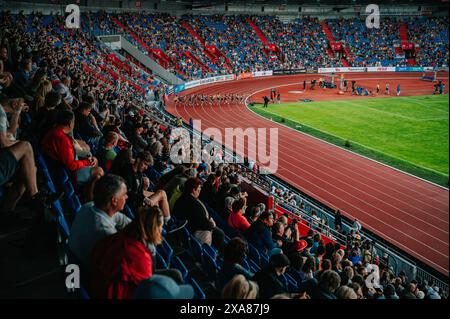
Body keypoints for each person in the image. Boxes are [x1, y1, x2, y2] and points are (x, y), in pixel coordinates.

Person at [90, 205, 164, 299]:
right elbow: (147, 289)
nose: (161, 230)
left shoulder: (117, 237)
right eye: (161, 227)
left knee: (174, 274)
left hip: (100, 286)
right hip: (117, 293)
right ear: (154, 229)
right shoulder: (140, 255)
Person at [68, 174, 130, 271]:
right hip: (89, 275)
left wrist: (137, 227)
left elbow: (121, 219)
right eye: (124, 194)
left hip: (76, 263)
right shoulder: (105, 233)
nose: (126, 197)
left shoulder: (90, 206)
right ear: (114, 200)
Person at [41, 110, 104, 199]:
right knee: (99, 171)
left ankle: (88, 194)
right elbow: (71, 165)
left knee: (96, 171)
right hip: (68, 172)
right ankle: (89, 197)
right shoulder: (62, 139)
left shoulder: (55, 130)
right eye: (74, 121)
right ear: (70, 123)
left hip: (61, 166)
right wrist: (87, 162)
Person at [173, 177, 224, 249]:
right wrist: (212, 224)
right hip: (193, 232)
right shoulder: (195, 205)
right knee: (220, 234)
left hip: (184, 230)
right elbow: (204, 224)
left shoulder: (182, 197)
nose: (200, 190)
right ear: (194, 190)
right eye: (199, 188)